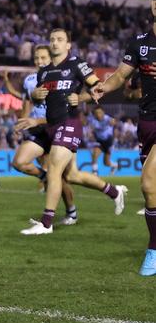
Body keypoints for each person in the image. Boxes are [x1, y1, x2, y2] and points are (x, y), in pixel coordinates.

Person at [19, 29, 127, 235]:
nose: (55, 43)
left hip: (69, 123)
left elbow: (98, 87)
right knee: (73, 175)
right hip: (50, 126)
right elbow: (40, 99)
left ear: (68, 45)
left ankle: (46, 223)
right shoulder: (44, 72)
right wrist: (35, 94)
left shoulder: (77, 63)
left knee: (53, 170)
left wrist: (83, 98)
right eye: (52, 40)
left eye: (60, 40)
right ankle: (115, 191)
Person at [91, 0, 156, 275]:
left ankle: (153, 250)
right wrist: (106, 86)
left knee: (149, 184)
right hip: (147, 121)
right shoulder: (139, 43)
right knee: (154, 191)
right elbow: (121, 75)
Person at [12, 45, 78, 225]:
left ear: (51, 58)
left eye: (43, 58)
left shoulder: (59, 77)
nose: (39, 61)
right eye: (36, 58)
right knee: (19, 162)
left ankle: (71, 211)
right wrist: (22, 122)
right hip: (36, 130)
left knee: (63, 175)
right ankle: (43, 177)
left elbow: (59, 112)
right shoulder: (30, 80)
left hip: (55, 128)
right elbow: (27, 104)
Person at [86, 105, 118, 175]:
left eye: (100, 112)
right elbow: (89, 127)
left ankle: (115, 166)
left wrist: (113, 122)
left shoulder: (107, 118)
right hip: (100, 141)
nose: (98, 114)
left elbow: (112, 121)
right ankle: (95, 173)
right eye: (96, 113)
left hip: (108, 142)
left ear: (103, 112)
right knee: (94, 155)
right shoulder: (93, 120)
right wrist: (90, 133)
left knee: (106, 163)